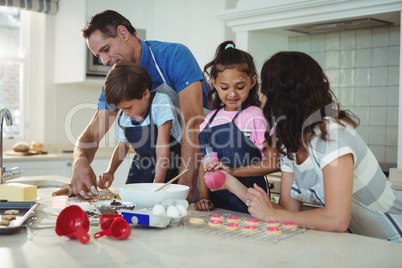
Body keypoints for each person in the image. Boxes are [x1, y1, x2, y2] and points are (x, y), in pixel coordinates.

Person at [219, 51, 402, 242]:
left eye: (265, 89)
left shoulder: (332, 135)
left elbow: (337, 219)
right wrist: (229, 182)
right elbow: (288, 211)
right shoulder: (291, 144)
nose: (262, 96)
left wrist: (271, 215)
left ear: (280, 96)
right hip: (368, 242)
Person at [71, 10, 208, 200]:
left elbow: (193, 123)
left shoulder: (174, 56)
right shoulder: (116, 81)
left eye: (106, 49)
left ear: (123, 33)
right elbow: (94, 132)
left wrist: (183, 191)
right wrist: (80, 161)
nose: (104, 61)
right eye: (98, 56)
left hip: (205, 162)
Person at [194, 41, 279, 213]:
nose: (232, 94)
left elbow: (275, 163)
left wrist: (234, 171)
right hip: (217, 207)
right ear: (214, 83)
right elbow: (206, 163)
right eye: (224, 87)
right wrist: (204, 197)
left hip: (252, 204)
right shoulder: (210, 119)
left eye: (240, 87)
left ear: (252, 81)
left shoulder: (255, 116)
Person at [97, 61, 181, 187]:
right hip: (141, 170)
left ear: (145, 94)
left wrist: (157, 185)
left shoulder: (160, 103)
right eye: (122, 109)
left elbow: (162, 147)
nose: (125, 113)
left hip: (169, 167)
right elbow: (122, 146)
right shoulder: (125, 117)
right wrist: (110, 171)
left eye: (128, 107)